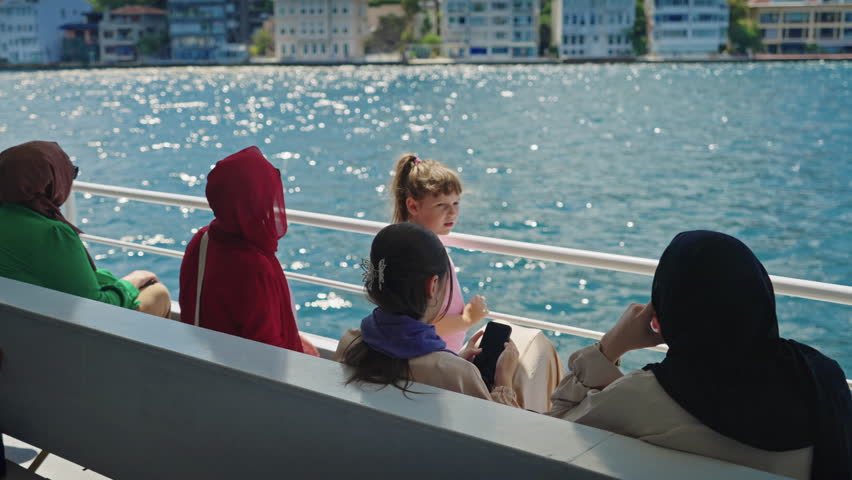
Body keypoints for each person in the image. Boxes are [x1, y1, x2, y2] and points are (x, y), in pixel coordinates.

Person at [548, 231, 852, 479]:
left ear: (663, 317)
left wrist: (610, 346)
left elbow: (551, 436)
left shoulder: (641, 399)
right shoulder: (824, 379)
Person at [336, 222, 522, 406]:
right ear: (432, 286)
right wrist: (504, 380)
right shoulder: (458, 375)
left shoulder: (349, 344)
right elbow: (496, 430)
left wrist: (452, 360)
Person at [0, 140, 171, 317]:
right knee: (156, 292)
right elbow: (95, 307)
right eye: (68, 174)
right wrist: (131, 281)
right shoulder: (52, 234)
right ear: (53, 182)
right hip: (51, 337)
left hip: (12, 328)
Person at [179, 146, 318, 356]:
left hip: (210, 357)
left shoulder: (203, 239)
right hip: (241, 373)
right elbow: (267, 351)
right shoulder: (255, 266)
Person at [390, 154, 487, 353]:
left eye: (456, 203)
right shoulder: (419, 256)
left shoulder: (415, 245)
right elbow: (424, 323)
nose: (452, 212)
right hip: (431, 363)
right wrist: (468, 319)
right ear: (413, 206)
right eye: (441, 205)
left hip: (438, 355)